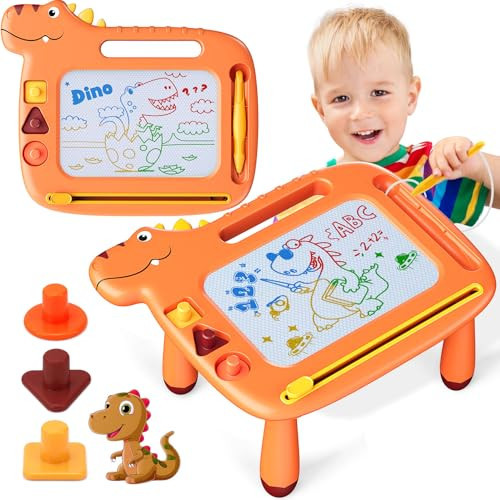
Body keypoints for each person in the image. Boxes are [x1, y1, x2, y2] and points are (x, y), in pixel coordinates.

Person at [308, 8, 499, 225]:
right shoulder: (316, 193)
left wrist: (479, 166)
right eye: (341, 98)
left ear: (410, 97)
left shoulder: (432, 169)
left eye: (379, 93)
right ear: (321, 110)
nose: (361, 113)